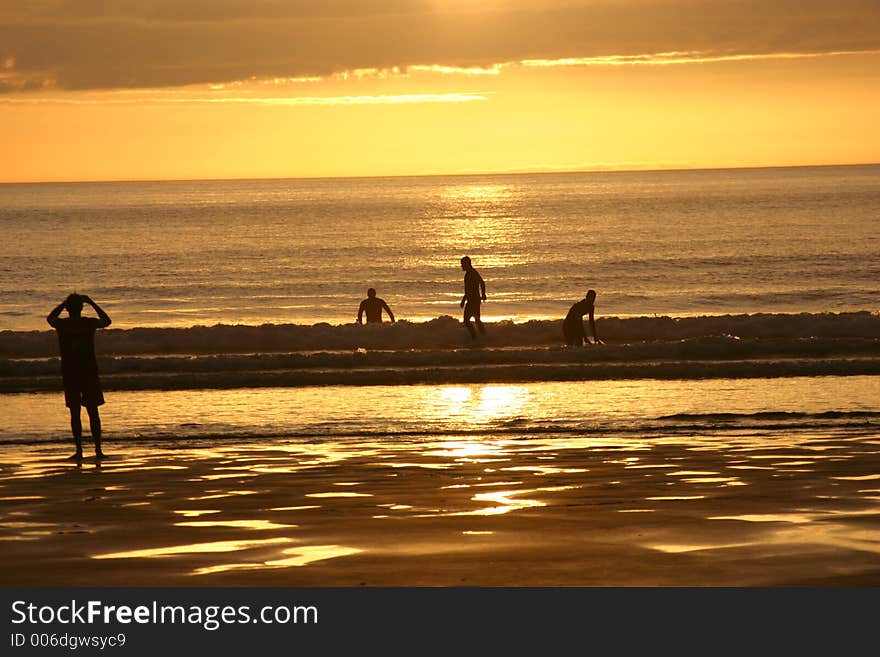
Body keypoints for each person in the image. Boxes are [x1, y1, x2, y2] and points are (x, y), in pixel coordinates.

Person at [47, 294, 112, 459]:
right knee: (93, 412)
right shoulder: (88, 323)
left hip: (71, 372)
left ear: (68, 309)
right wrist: (92, 302)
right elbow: (106, 320)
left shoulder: (63, 324)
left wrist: (63, 303)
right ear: (81, 308)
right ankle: (98, 450)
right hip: (88, 371)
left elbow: (50, 318)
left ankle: (79, 451)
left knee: (75, 413)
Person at [459, 256, 486, 339]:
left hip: (474, 301)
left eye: (462, 264)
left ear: (467, 263)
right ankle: (481, 336)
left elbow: (482, 282)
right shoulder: (468, 274)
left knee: (469, 320)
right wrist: (463, 300)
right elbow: (468, 290)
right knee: (474, 320)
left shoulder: (472, 273)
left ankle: (477, 337)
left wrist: (483, 294)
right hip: (472, 300)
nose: (461, 266)